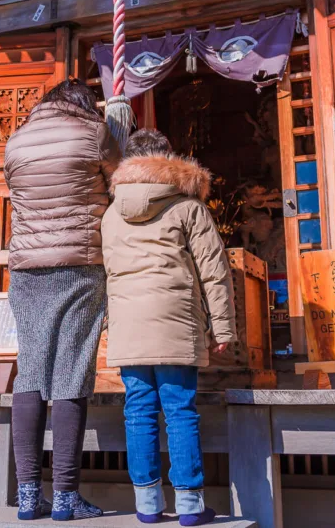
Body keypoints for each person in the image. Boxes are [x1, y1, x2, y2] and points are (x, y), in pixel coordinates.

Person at [101, 129, 236, 526]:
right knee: (179, 411)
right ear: (167, 160)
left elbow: (109, 272)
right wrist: (224, 328)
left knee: (138, 411)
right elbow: (215, 272)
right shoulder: (187, 207)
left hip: (129, 326)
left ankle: (146, 504)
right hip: (176, 321)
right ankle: (191, 506)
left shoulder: (111, 214)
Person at [4, 78, 121, 521]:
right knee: (72, 373)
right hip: (80, 265)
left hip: (27, 269)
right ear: (84, 105)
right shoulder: (94, 133)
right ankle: (67, 495)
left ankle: (29, 495)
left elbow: (18, 197)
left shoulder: (16, 141)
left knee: (31, 373)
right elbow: (120, 185)